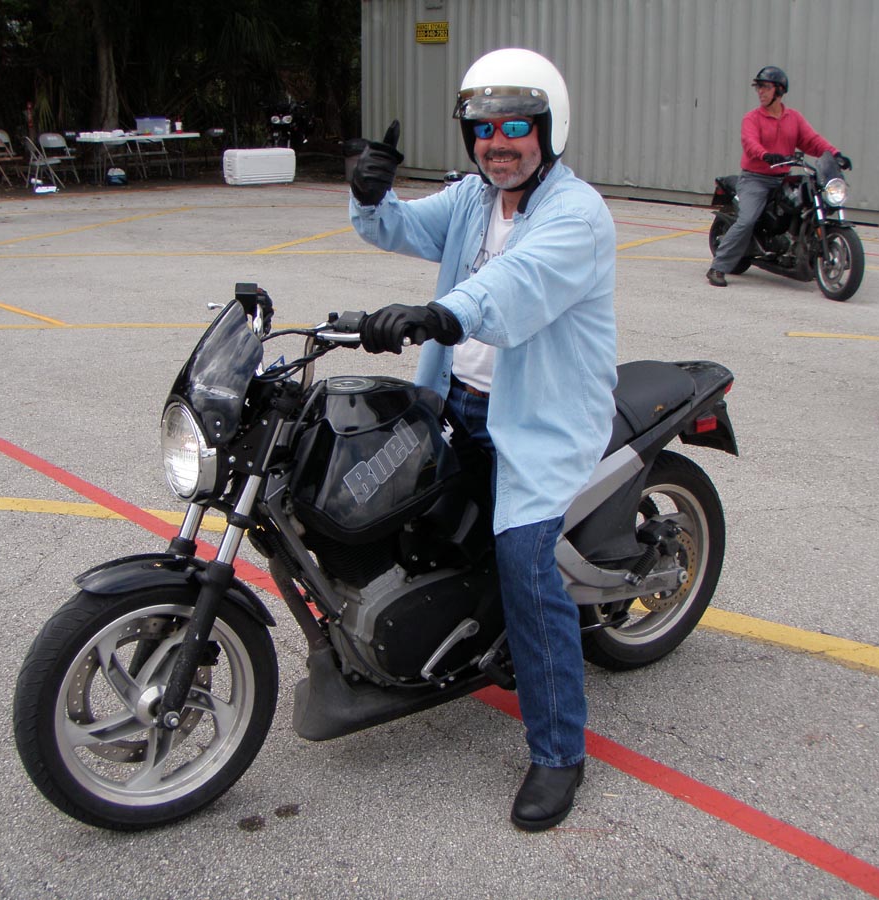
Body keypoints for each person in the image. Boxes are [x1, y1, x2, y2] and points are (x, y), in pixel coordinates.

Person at [347, 47, 617, 831]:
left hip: (542, 419)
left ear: (549, 128)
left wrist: (441, 312)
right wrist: (370, 194)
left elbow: (516, 283)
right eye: (485, 129)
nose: (499, 144)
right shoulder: (473, 199)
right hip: (459, 400)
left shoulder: (576, 214)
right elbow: (401, 227)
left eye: (516, 127)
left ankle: (559, 750)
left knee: (526, 567)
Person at [707, 65, 851, 287]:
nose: (760, 92)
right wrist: (765, 155)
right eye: (759, 87)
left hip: (782, 177)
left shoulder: (793, 118)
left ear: (779, 90)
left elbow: (812, 140)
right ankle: (718, 267)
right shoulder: (752, 118)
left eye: (765, 87)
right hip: (755, 179)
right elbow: (750, 142)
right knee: (747, 220)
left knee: (808, 199)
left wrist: (835, 154)